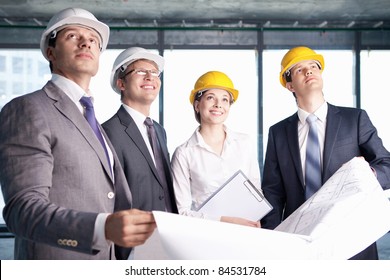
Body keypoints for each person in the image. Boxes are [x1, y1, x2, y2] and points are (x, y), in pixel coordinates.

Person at [0, 8, 156, 260]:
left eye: (94, 40)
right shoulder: (28, 109)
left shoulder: (91, 118)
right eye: (72, 36)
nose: (86, 42)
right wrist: (101, 228)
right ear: (51, 52)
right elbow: (22, 210)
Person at [261, 46, 390, 259]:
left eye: (313, 66)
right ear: (290, 85)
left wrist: (367, 173)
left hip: (352, 237)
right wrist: (270, 243)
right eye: (299, 69)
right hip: (300, 242)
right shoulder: (278, 133)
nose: (309, 71)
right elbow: (273, 192)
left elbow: (386, 165)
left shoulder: (354, 119)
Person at [171, 71, 261, 227]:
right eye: (211, 97)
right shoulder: (184, 153)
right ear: (197, 105)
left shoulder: (244, 143)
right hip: (205, 235)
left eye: (225, 99)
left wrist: (256, 218)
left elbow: (256, 192)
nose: (218, 104)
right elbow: (182, 212)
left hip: (246, 232)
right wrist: (226, 221)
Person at [102, 47, 178, 214]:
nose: (150, 77)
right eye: (141, 72)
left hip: (167, 230)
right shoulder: (108, 132)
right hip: (134, 233)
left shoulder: (159, 131)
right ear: (121, 83)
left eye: (155, 73)